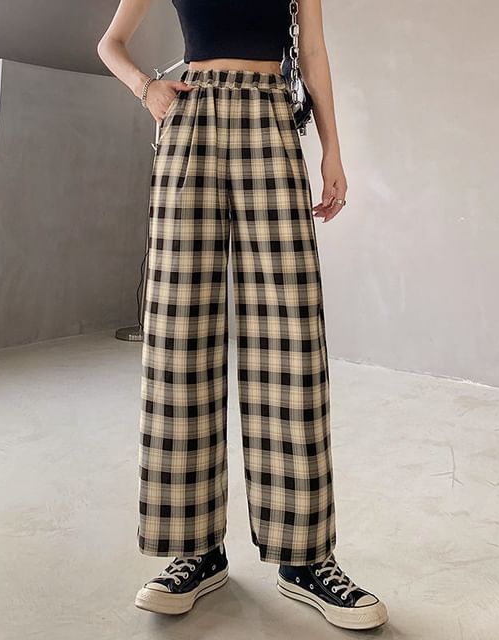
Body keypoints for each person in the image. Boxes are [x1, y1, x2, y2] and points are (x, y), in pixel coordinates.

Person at [98, 0, 388, 630]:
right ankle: (195, 550)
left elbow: (313, 53)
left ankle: (305, 558)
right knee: (179, 341)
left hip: (270, 118)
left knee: (291, 344)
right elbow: (110, 43)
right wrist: (147, 88)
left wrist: (332, 151)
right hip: (191, 121)